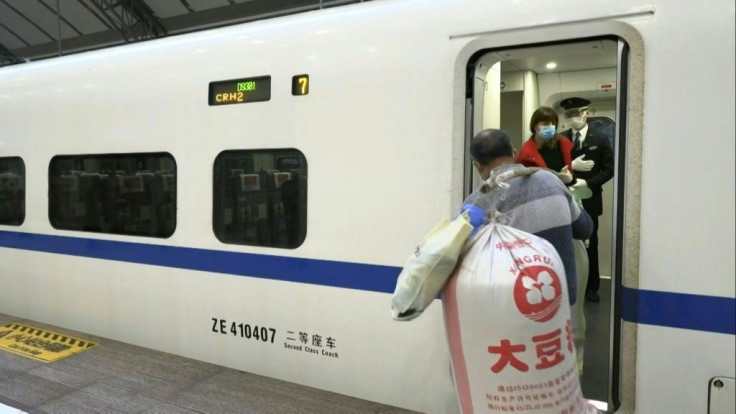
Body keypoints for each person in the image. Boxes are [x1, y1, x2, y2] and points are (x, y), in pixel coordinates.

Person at [463, 129, 593, 305]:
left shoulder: (476, 203)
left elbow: (465, 263)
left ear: (478, 166)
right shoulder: (552, 180)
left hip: (515, 309)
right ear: (514, 153)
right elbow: (585, 229)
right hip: (561, 301)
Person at [559, 97, 614, 303]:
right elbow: (553, 168)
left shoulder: (599, 139)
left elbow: (609, 169)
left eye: (576, 114)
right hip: (565, 197)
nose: (573, 119)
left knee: (590, 242)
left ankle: (591, 287)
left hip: (590, 199)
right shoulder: (560, 139)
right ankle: (567, 283)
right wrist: (571, 166)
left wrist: (588, 183)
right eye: (569, 115)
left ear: (587, 113)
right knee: (566, 241)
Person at [515, 106, 575, 184]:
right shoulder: (526, 154)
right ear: (535, 126)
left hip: (564, 192)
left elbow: (573, 175)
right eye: (545, 123)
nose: (550, 126)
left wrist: (570, 179)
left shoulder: (562, 143)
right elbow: (525, 184)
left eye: (553, 123)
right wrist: (557, 179)